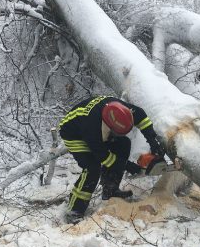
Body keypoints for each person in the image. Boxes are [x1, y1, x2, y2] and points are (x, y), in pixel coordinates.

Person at [59, 95, 165, 224]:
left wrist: (153, 141)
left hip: (97, 126)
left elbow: (142, 117)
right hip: (73, 134)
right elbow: (104, 157)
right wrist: (128, 166)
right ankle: (73, 211)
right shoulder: (91, 129)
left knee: (123, 143)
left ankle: (110, 190)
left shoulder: (123, 111)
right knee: (92, 168)